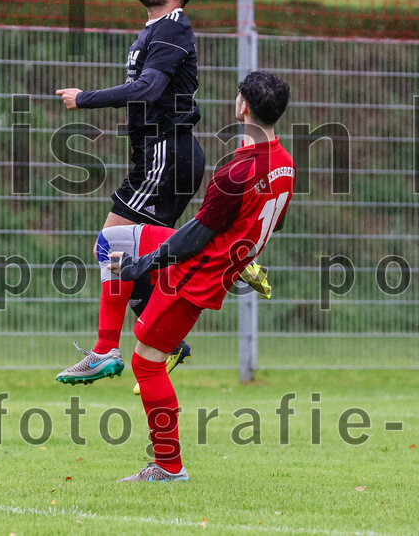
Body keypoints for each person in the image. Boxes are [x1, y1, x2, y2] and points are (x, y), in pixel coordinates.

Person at [99, 70, 294, 482]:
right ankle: (103, 349)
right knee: (113, 240)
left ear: (242, 106)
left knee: (147, 362)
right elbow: (266, 223)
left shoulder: (236, 171)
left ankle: (169, 466)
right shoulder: (285, 164)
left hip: (197, 275)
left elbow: (196, 238)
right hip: (221, 263)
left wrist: (145, 265)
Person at [53, 0, 208, 387]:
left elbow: (149, 88)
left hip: (166, 153)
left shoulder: (173, 29)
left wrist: (86, 98)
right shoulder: (158, 30)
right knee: (127, 255)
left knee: (112, 244)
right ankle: (155, 342)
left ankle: (219, 245)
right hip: (160, 154)